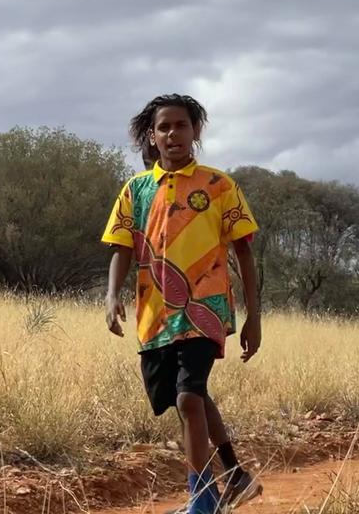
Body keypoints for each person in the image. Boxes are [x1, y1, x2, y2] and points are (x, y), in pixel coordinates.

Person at [102, 94, 262, 514]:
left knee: (189, 397)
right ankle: (236, 475)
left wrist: (253, 317)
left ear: (195, 131)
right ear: (152, 137)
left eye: (182, 125)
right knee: (183, 397)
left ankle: (202, 500)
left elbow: (244, 251)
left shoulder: (218, 185)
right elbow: (121, 246)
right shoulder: (136, 189)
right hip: (154, 313)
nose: (173, 134)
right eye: (164, 127)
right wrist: (111, 294)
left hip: (206, 308)